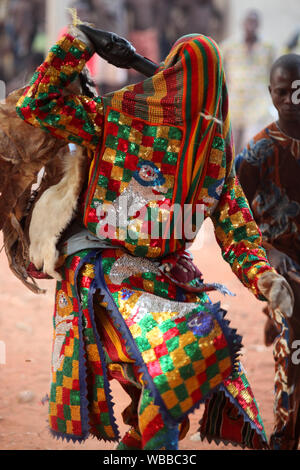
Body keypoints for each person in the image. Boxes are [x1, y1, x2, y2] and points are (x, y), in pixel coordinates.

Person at [12, 19, 294, 450]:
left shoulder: (213, 150)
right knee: (174, 376)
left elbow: (238, 231)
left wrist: (265, 278)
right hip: (106, 269)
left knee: (178, 394)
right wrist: (77, 44)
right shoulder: (120, 116)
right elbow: (37, 105)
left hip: (166, 276)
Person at [236, 54, 300, 450]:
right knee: (294, 347)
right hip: (283, 264)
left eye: (297, 90)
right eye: (282, 92)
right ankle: (285, 435)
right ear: (271, 95)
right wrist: (265, 253)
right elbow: (234, 218)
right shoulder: (256, 153)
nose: (291, 99)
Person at [222, 10, 275, 154]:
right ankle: (231, 176)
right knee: (230, 146)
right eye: (248, 21)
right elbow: (219, 68)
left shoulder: (268, 47)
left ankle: (245, 175)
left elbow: (274, 73)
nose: (251, 25)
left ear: (258, 25)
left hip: (257, 104)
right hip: (235, 103)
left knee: (250, 145)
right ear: (243, 24)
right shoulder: (229, 46)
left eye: (254, 22)